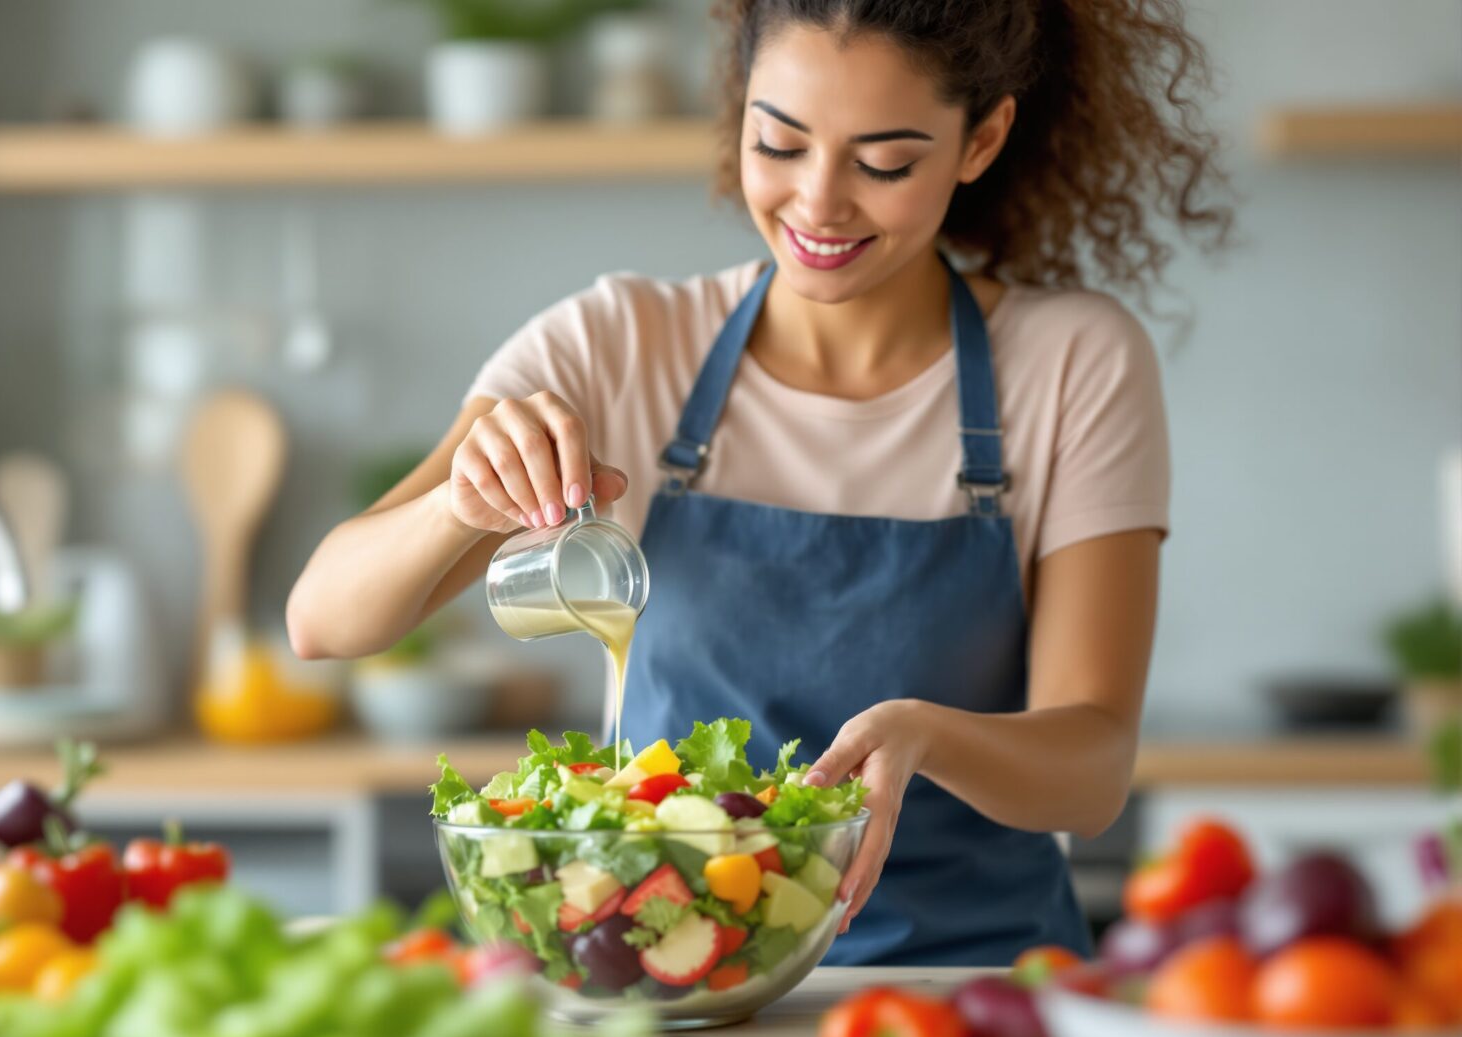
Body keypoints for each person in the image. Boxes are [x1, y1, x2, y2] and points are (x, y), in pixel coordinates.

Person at [288, 0, 1231, 965]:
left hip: (968, 983)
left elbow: (1094, 768)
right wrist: (460, 506)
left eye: (884, 163)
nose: (818, 204)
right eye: (779, 143)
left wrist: (931, 736)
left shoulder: (1073, 361)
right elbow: (324, 621)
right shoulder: (619, 345)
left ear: (982, 139)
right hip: (678, 983)